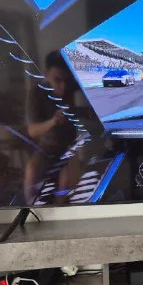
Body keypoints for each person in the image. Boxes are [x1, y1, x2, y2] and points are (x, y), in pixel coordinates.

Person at [23, 51, 91, 204]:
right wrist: (53, 121)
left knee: (66, 183)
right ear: (46, 75)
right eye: (57, 80)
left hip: (70, 146)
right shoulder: (36, 93)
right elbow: (32, 130)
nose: (63, 86)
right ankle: (30, 210)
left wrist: (76, 111)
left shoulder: (72, 86)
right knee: (31, 171)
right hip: (47, 147)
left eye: (66, 80)